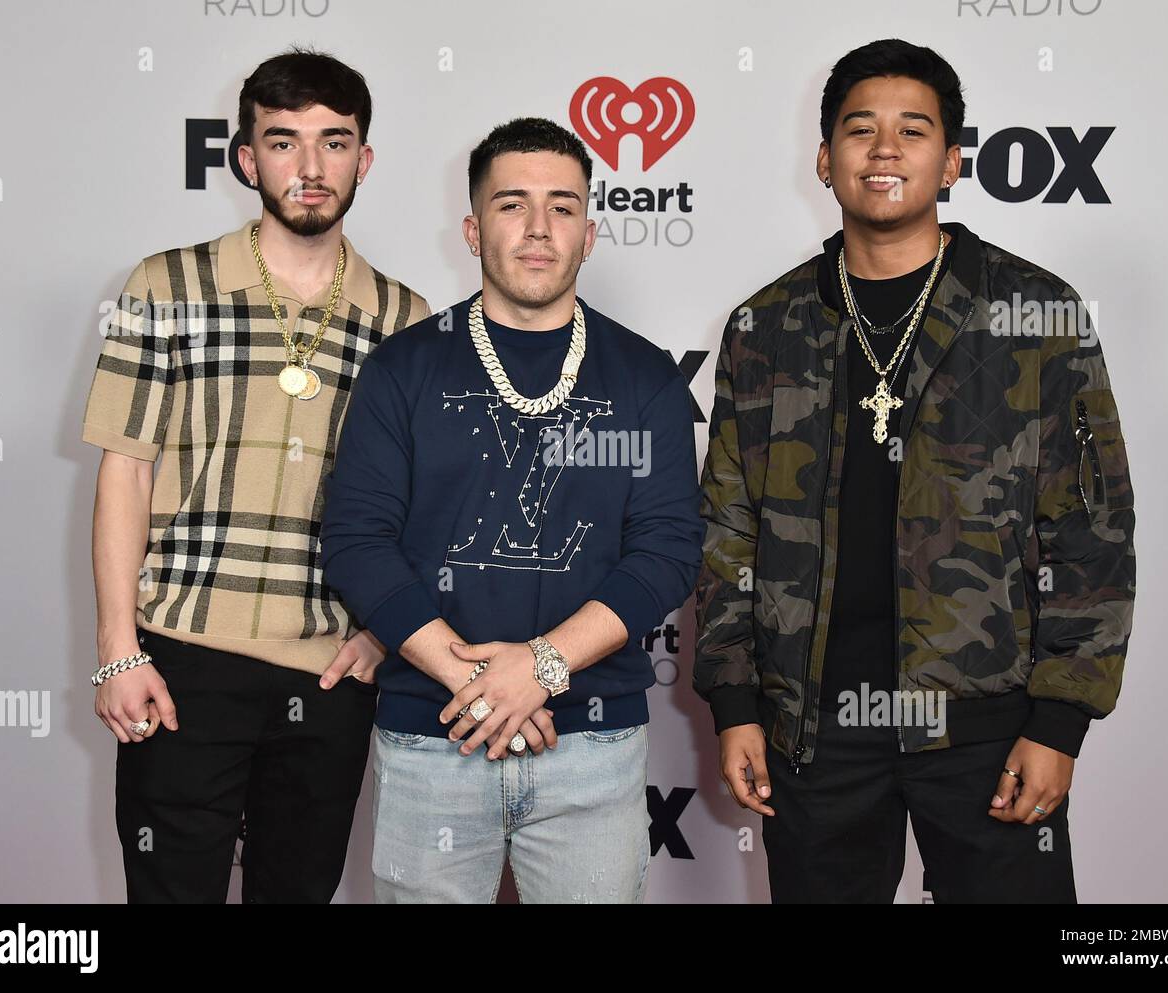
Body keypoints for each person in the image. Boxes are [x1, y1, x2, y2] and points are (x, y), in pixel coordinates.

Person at [694, 38, 1136, 903]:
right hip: (811, 727)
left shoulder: (1034, 313)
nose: (885, 149)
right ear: (825, 160)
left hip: (985, 726)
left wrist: (1061, 720)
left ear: (952, 161)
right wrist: (736, 702)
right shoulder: (766, 325)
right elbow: (728, 528)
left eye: (913, 129)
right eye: (861, 130)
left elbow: (1093, 529)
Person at [320, 117, 703, 903]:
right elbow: (358, 540)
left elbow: (667, 548)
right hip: (434, 734)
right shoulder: (404, 367)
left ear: (591, 232)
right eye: (511, 204)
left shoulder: (645, 376)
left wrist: (542, 666)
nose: (538, 228)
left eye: (562, 207)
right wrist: (480, 682)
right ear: (472, 228)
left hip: (591, 740)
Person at [83, 48, 428, 903]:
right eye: (283, 142)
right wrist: (116, 648)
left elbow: (423, 505)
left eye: (334, 142)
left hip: (331, 672)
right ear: (246, 157)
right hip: (182, 661)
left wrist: (382, 634)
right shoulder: (164, 286)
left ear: (365, 159)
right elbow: (123, 473)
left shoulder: (406, 318)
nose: (310, 168)